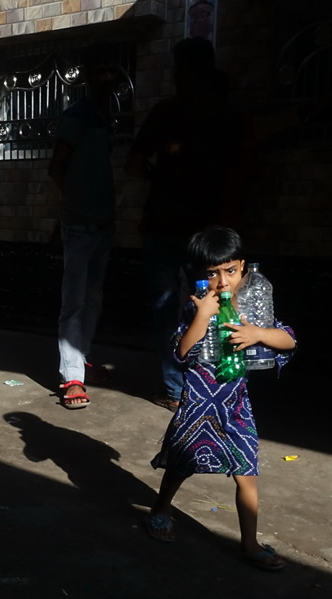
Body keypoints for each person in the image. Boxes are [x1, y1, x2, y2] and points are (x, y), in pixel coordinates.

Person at [144, 226, 297, 571]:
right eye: (213, 273)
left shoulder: (255, 304)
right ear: (201, 276)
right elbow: (181, 353)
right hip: (199, 400)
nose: (223, 282)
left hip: (235, 405)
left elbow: (288, 340)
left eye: (230, 271)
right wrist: (201, 316)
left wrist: (257, 333)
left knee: (247, 471)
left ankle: (249, 543)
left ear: (243, 266)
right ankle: (161, 507)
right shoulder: (196, 305)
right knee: (180, 463)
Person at [126, 39, 242, 412]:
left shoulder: (168, 111)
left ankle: (176, 391)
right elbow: (240, 171)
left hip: (166, 224)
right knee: (216, 304)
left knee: (166, 311)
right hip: (207, 232)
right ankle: (214, 381)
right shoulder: (226, 114)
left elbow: (134, 163)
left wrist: (162, 175)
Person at [49, 44, 118, 409]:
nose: (108, 77)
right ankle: (72, 377)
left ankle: (82, 361)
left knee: (93, 299)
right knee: (74, 303)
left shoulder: (106, 117)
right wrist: (70, 211)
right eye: (101, 70)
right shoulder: (76, 116)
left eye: (112, 70)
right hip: (79, 225)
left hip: (104, 223)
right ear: (88, 77)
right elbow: (56, 167)